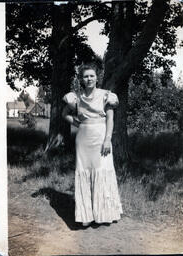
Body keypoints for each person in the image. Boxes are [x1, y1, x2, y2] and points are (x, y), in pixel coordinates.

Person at [62, 63, 123, 227]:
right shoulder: (76, 98)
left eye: (92, 76)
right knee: (85, 173)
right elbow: (64, 114)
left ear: (97, 77)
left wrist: (107, 139)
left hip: (101, 138)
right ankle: (86, 215)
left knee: (102, 172)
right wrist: (79, 124)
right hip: (83, 140)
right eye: (85, 76)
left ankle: (104, 214)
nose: (89, 79)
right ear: (81, 79)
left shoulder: (106, 96)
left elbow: (110, 119)